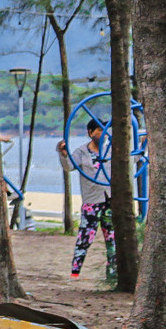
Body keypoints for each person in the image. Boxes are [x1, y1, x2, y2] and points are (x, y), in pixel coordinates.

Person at [58, 120, 116, 280]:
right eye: (99, 130)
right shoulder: (82, 152)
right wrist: (63, 154)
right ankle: (75, 272)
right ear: (90, 132)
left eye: (105, 130)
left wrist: (143, 143)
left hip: (110, 199)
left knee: (112, 238)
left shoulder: (111, 149)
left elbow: (132, 159)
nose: (103, 134)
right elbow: (69, 166)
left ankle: (112, 273)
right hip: (92, 201)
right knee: (85, 237)